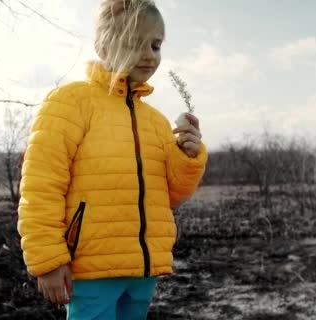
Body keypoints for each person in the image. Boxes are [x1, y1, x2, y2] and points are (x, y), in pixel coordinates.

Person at [17, 0, 208, 319]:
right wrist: (48, 260)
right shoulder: (70, 103)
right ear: (102, 46)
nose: (149, 55)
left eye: (156, 45)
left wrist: (187, 156)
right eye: (135, 42)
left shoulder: (157, 122)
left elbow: (171, 197)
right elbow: (41, 187)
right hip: (91, 270)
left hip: (142, 271)